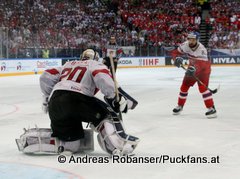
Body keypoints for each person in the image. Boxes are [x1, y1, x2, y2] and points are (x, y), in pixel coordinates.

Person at [16, 49, 139, 155]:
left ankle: (32, 140)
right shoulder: (94, 64)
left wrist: (47, 98)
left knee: (72, 145)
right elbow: (101, 76)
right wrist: (112, 96)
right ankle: (118, 146)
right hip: (78, 100)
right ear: (96, 58)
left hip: (56, 103)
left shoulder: (67, 64)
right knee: (107, 115)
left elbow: (46, 76)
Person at [171, 32, 217, 118]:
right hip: (192, 67)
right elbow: (175, 52)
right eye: (189, 39)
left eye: (193, 39)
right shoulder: (185, 45)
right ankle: (180, 106)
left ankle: (211, 108)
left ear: (197, 40)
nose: (190, 41)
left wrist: (194, 69)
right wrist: (176, 58)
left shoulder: (202, 49)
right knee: (184, 86)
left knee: (203, 89)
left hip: (204, 70)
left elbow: (202, 64)